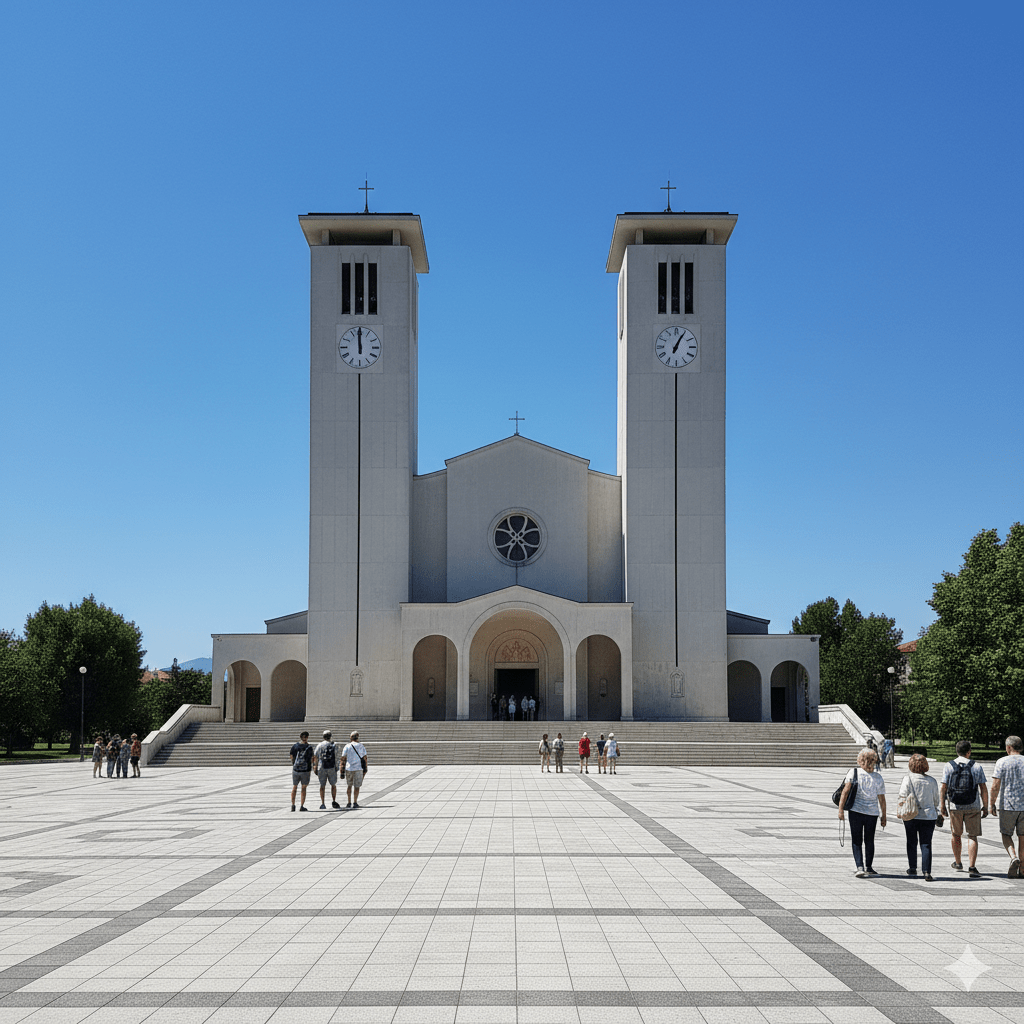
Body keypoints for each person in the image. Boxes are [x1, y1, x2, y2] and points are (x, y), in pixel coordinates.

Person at [940, 740, 989, 877]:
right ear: (969, 752)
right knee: (972, 836)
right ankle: (972, 866)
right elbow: (983, 788)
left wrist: (942, 805)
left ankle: (958, 862)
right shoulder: (976, 766)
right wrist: (985, 806)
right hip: (973, 805)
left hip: (955, 806)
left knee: (956, 834)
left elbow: (943, 787)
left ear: (957, 751)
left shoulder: (949, 766)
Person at [837, 748, 887, 878]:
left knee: (857, 840)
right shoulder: (878, 777)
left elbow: (845, 792)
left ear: (860, 760)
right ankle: (869, 867)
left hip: (855, 812)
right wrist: (884, 816)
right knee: (869, 840)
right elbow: (882, 799)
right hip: (872, 813)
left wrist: (841, 810)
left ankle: (860, 867)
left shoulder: (853, 772)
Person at [898, 753, 941, 881]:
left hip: (911, 814)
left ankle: (912, 867)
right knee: (926, 843)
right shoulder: (932, 781)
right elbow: (936, 801)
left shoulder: (907, 779)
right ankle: (927, 871)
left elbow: (902, 796)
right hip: (928, 816)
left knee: (911, 841)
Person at [989, 734, 1024, 878]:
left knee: (1006, 834)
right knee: (1023, 837)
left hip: (1008, 804)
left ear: (1008, 747)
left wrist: (991, 803)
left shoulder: (1001, 762)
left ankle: (1013, 856)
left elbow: (995, 785)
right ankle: (1022, 869)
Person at [313, 730, 341, 810]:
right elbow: (336, 756)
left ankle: (322, 803)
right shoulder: (334, 745)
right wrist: (337, 767)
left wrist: (315, 766)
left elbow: (315, 756)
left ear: (323, 737)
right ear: (330, 736)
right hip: (332, 767)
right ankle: (334, 800)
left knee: (322, 786)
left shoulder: (320, 745)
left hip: (322, 767)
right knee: (333, 785)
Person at [342, 731, 368, 808]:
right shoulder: (361, 746)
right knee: (357, 786)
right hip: (358, 768)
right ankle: (355, 802)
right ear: (357, 737)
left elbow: (343, 758)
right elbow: (365, 758)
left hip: (349, 768)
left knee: (349, 786)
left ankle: (349, 802)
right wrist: (365, 768)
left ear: (350, 738)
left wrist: (342, 769)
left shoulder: (347, 746)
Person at [289, 730, 314, 811]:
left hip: (296, 769)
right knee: (303, 788)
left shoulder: (295, 746)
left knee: (294, 787)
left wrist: (294, 764)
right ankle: (301, 806)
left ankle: (293, 805)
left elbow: (291, 756)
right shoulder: (309, 747)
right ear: (307, 737)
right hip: (305, 770)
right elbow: (312, 759)